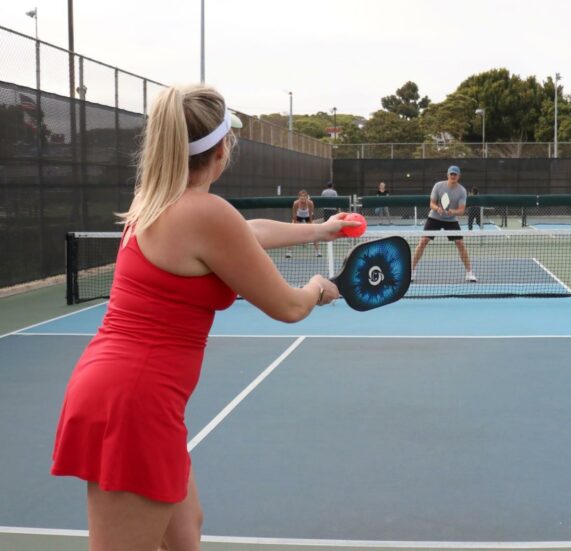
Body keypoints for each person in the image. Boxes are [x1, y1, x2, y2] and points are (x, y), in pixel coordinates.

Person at [50, 84, 358, 551]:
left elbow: (246, 232)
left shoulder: (156, 200)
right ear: (221, 150)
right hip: (135, 401)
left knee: (186, 528)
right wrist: (319, 287)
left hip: (116, 386)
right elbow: (289, 306)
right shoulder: (205, 214)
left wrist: (321, 228)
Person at [411, 165, 477, 282]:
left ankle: (469, 272)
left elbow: (461, 210)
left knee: (460, 243)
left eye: (455, 175)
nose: (453, 176)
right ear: (448, 175)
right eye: (451, 174)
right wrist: (437, 209)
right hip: (435, 217)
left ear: (458, 176)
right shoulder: (438, 186)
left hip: (451, 220)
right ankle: (411, 270)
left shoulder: (462, 191)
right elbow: (431, 203)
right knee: (423, 241)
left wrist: (453, 211)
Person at [286, 189, 321, 257]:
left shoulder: (310, 203)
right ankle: (289, 252)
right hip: (298, 217)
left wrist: (310, 225)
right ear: (299, 197)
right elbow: (294, 214)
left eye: (304, 196)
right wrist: (295, 224)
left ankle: (318, 252)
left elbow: (311, 214)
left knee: (314, 233)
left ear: (306, 197)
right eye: (301, 196)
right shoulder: (296, 203)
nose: (303, 197)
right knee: (292, 233)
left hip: (308, 217)